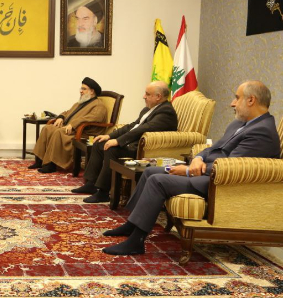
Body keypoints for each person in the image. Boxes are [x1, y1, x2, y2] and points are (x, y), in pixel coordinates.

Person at [102, 80, 281, 256]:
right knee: (149, 171)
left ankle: (136, 241)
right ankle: (132, 225)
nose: (232, 103)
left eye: (237, 97)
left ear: (251, 100)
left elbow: (234, 167)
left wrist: (189, 171)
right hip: (209, 172)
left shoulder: (262, 131)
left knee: (158, 181)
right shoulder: (240, 123)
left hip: (219, 185)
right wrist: (198, 158)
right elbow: (213, 148)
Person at [72, 81, 178, 203]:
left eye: (147, 94)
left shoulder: (166, 111)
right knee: (99, 143)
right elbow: (132, 126)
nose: (144, 97)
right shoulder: (148, 109)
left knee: (111, 149)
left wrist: (118, 141)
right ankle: (91, 184)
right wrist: (108, 136)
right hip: (133, 144)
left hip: (144, 150)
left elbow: (143, 129)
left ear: (158, 96)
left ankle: (103, 192)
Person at [29, 77, 107, 173]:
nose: (81, 91)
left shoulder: (99, 105)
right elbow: (67, 112)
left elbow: (91, 118)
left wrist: (72, 125)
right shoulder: (80, 103)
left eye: (84, 89)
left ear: (92, 91)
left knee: (59, 132)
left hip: (83, 132)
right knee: (47, 128)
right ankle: (39, 160)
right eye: (81, 88)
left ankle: (51, 164)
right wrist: (61, 117)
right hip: (71, 128)